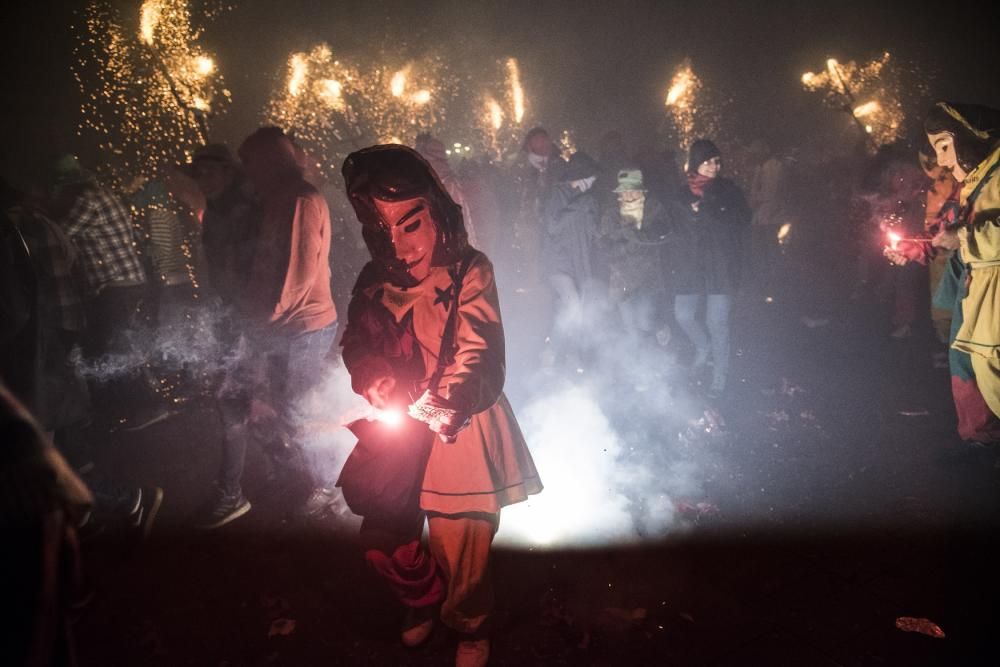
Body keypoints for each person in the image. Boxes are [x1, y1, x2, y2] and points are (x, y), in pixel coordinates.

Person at [339, 144, 542, 667]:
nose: (399, 245)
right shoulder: (371, 281)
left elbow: (479, 350)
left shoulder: (469, 270)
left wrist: (448, 401)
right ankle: (423, 601)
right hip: (402, 431)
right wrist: (375, 378)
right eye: (383, 229)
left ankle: (470, 624)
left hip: (462, 423)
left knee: (461, 541)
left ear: (436, 211)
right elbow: (356, 344)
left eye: (411, 225)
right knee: (387, 540)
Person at [195, 128, 339, 528]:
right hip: (280, 325)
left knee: (297, 410)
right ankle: (300, 473)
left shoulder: (296, 199)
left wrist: (257, 326)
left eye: (251, 163)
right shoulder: (273, 199)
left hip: (299, 326)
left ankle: (328, 484)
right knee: (280, 406)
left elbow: (293, 276)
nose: (248, 172)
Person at [922, 102, 1000, 443]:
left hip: (993, 300)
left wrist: (962, 238)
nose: (941, 161)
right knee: (985, 373)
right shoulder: (978, 180)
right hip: (979, 301)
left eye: (943, 146)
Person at [668, 139, 751, 398]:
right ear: (696, 163)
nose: (715, 166)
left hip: (721, 264)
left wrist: (709, 210)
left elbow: (743, 219)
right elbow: (673, 227)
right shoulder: (682, 194)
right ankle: (703, 347)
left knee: (717, 322)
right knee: (683, 314)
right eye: (708, 161)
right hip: (691, 265)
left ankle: (720, 375)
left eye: (717, 161)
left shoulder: (729, 191)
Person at [596, 167, 673, 350]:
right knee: (630, 327)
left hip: (649, 278)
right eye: (625, 191)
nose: (629, 194)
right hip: (621, 280)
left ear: (642, 191)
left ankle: (659, 328)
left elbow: (665, 233)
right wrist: (622, 245)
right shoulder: (611, 213)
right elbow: (603, 244)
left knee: (645, 321)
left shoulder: (653, 208)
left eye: (633, 190)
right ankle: (638, 368)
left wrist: (637, 236)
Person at [540, 150, 600, 367]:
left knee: (572, 310)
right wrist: (579, 207)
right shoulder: (558, 194)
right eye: (589, 179)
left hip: (579, 262)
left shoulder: (589, 199)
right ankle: (553, 352)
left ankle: (567, 355)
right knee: (572, 304)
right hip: (557, 262)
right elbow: (553, 226)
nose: (592, 184)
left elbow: (593, 233)